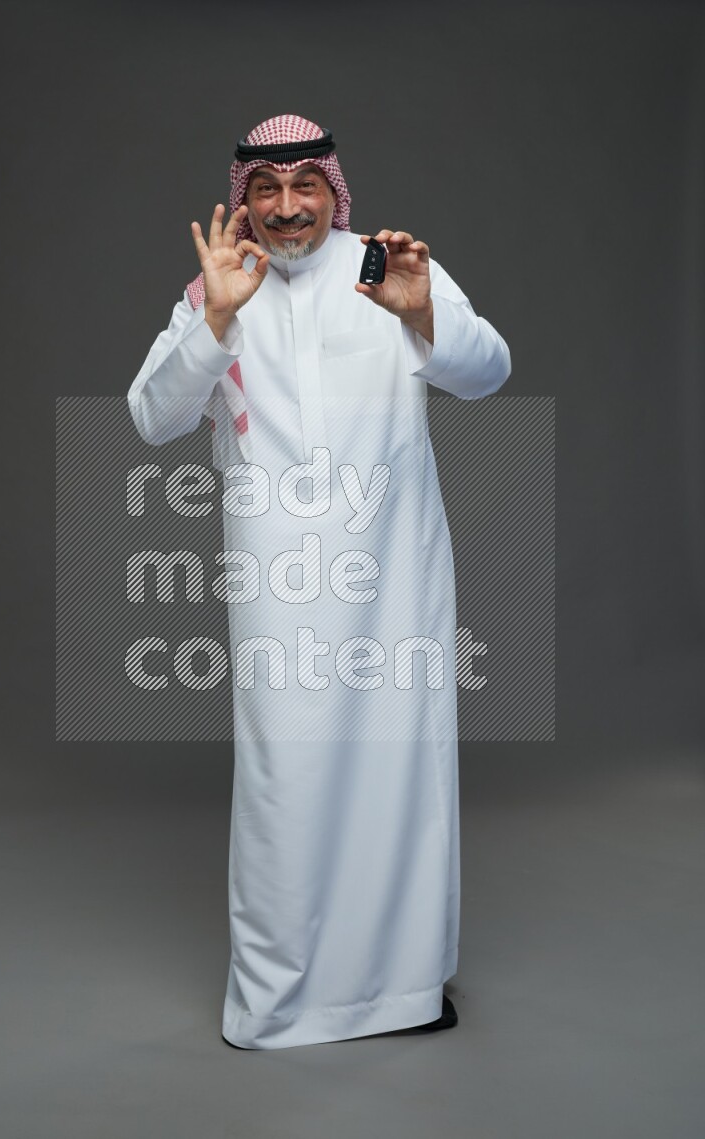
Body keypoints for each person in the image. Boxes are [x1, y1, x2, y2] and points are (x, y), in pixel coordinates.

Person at [127, 114, 511, 1050]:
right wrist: (214, 320)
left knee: (401, 774)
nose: (288, 205)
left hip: (395, 576)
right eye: (268, 187)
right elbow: (152, 418)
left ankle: (404, 989)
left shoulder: (387, 267)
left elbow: (490, 371)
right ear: (244, 196)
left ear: (332, 188)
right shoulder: (219, 286)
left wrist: (424, 313)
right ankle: (279, 1001)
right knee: (287, 781)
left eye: (306, 183)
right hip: (277, 583)